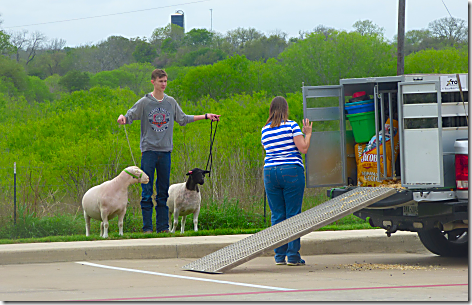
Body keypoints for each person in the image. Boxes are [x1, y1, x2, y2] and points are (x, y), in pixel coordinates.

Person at [117, 69, 220, 233]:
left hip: (165, 152)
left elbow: (183, 119)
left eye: (165, 81)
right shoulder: (145, 102)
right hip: (149, 151)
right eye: (160, 81)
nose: (163, 84)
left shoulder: (170, 102)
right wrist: (122, 118)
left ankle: (163, 227)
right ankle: (147, 228)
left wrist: (206, 116)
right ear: (153, 82)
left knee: (163, 192)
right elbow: (128, 116)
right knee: (147, 191)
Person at [261, 96, 312, 266]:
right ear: (286, 109)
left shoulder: (265, 130)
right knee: (293, 214)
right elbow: (303, 148)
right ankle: (293, 256)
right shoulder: (291, 125)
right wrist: (308, 134)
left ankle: (279, 256)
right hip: (290, 170)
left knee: (277, 215)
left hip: (269, 172)